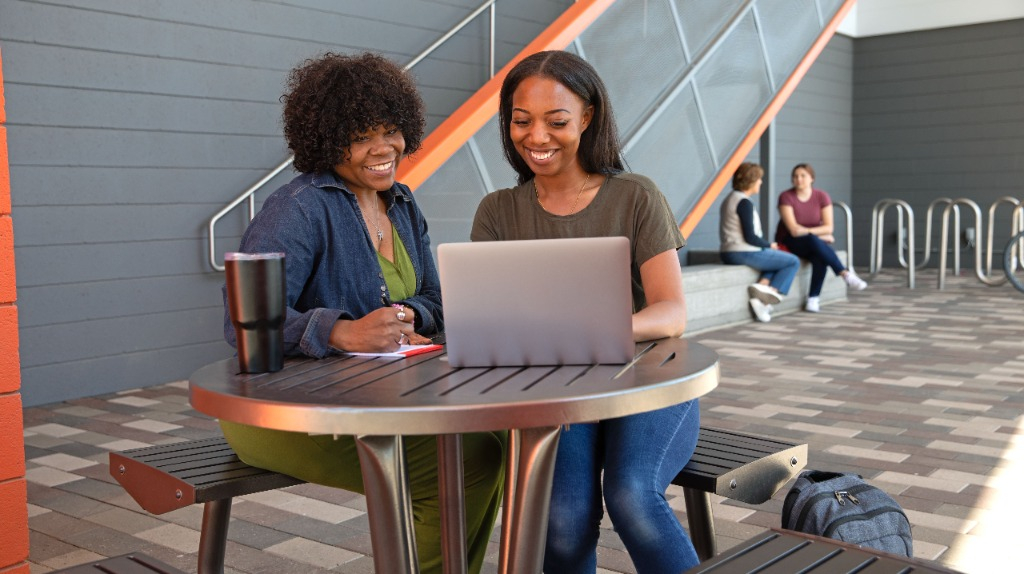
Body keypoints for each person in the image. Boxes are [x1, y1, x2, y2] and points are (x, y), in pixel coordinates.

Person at [218, 52, 504, 574]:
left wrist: (412, 316)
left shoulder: (402, 202)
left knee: (502, 439)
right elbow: (242, 322)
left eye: (392, 130)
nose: (383, 149)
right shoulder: (299, 207)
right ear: (327, 139)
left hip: (383, 399)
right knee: (470, 460)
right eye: (361, 135)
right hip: (288, 415)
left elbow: (438, 300)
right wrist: (342, 331)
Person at [471, 50, 700, 574]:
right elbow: (489, 317)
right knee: (565, 518)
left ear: (588, 118)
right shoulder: (498, 211)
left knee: (633, 496)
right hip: (558, 389)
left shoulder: (635, 195)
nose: (537, 138)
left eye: (557, 122)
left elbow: (671, 312)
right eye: (521, 121)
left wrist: (590, 329)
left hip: (649, 380)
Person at [775, 163, 867, 312]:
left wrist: (810, 231)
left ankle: (813, 299)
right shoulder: (786, 197)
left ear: (812, 178)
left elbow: (829, 227)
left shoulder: (821, 196)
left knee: (820, 257)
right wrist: (821, 234)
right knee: (813, 240)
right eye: (795, 176)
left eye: (803, 176)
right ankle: (845, 273)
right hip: (789, 241)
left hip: (811, 243)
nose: (799, 179)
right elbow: (793, 230)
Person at [719, 162, 802, 322]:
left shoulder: (730, 198)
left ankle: (761, 292)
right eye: (759, 179)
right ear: (750, 181)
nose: (760, 182)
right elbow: (750, 237)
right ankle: (769, 296)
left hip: (730, 251)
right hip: (741, 251)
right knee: (792, 261)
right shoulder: (744, 202)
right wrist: (769, 244)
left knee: (775, 259)